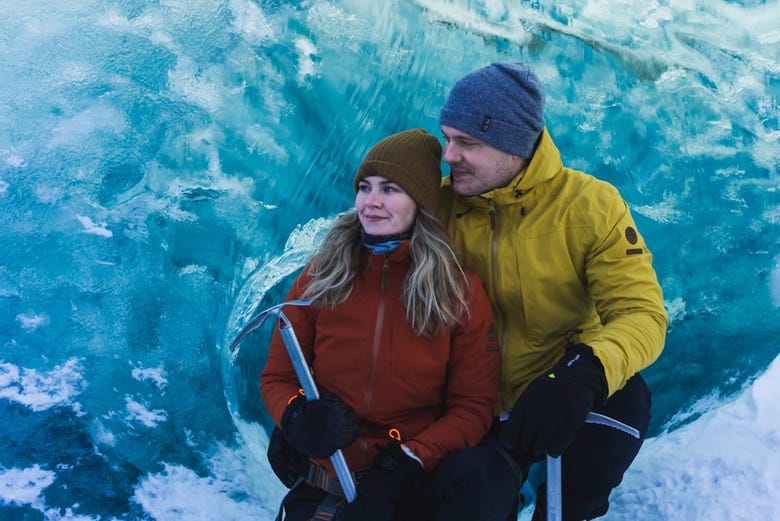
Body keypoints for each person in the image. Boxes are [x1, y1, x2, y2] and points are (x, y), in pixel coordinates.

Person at [436, 62, 669, 520]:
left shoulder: (590, 205)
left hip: (556, 387)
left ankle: (566, 511)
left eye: (467, 142)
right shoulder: (437, 207)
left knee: (627, 402)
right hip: (470, 402)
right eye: (447, 137)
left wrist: (586, 371)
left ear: (512, 145)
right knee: (477, 491)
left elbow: (643, 315)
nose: (448, 155)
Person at [260, 129, 513, 521]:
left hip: (411, 482)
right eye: (365, 187)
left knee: (482, 475)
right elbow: (277, 376)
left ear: (419, 203)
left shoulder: (459, 291)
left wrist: (404, 465)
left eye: (390, 189)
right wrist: (296, 417)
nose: (371, 202)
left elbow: (473, 408)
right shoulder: (321, 275)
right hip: (329, 480)